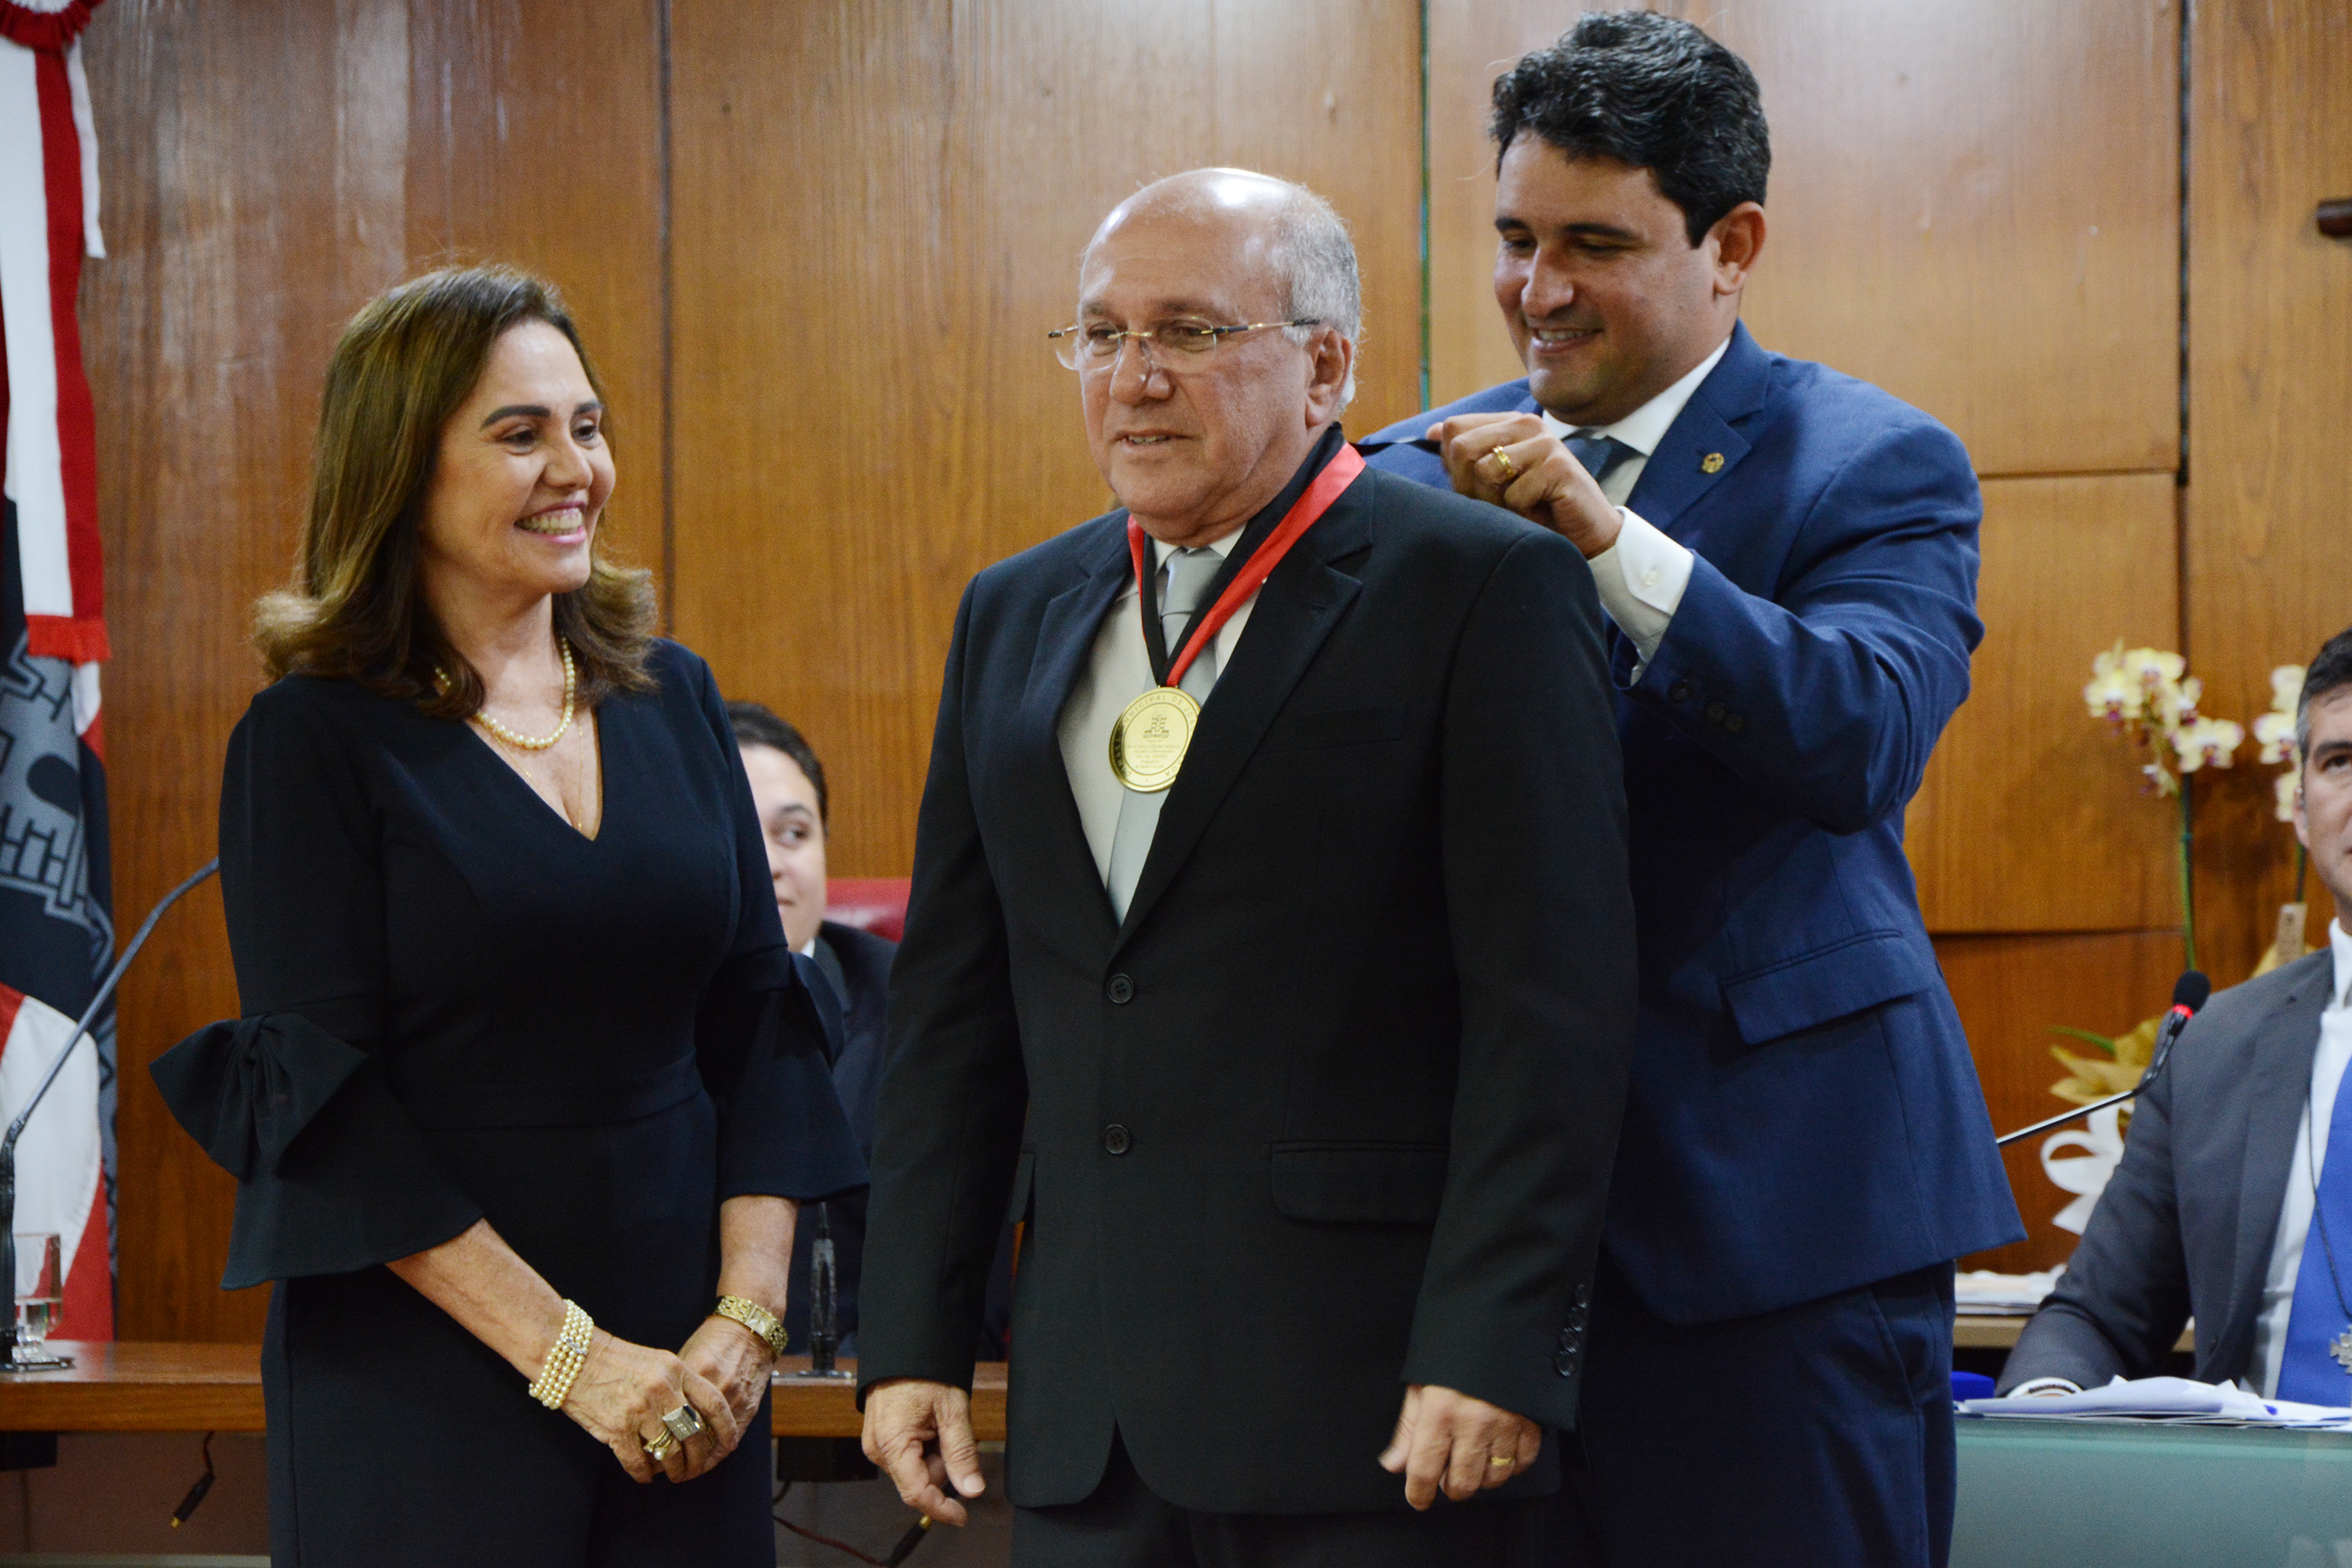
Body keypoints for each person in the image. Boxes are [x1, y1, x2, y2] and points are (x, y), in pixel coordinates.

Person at [854, 167, 1638, 1568]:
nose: (1134, 378)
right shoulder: (1013, 612)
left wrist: (1499, 1344)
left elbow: (1553, 1013)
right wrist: (910, 1336)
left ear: (1327, 363)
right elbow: (955, 1016)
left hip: (1381, 1415)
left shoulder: (1479, 590)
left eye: (1192, 334)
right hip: (1093, 1423)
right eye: (1100, 336)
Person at [1363, 15, 2023, 1566]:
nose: (1537, 291)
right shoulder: (1394, 481)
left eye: (1595, 243)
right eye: (1516, 239)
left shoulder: (1876, 461)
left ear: (1734, 245)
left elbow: (1857, 736)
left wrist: (1611, 543)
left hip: (1775, 1234)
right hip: (1473, 1262)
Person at [148, 265, 866, 1567]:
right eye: (519, 434)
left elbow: (760, 1022)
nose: (574, 469)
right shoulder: (312, 740)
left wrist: (746, 1324)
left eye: (586, 427)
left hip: (691, 1380)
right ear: (399, 471)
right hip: (432, 1380)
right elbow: (329, 1106)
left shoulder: (676, 697)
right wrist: (580, 1367)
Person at [2000, 631, 2352, 1403]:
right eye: (2340, 760)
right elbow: (2097, 1315)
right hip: (2253, 1511)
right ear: (2299, 808)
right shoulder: (2214, 1048)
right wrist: (2048, 1405)